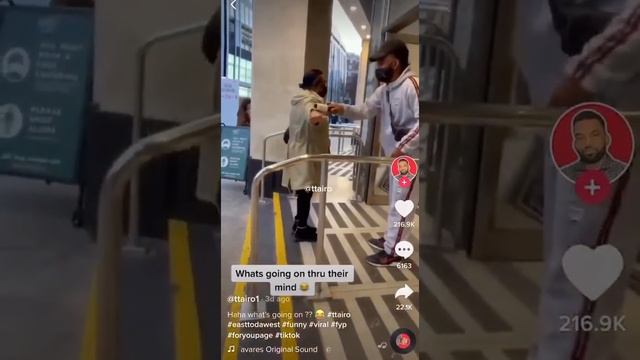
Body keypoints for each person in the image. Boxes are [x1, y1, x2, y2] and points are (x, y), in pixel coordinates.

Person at [515, 1, 640, 359]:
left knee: (583, 272)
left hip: (605, 93)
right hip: (574, 93)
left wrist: (589, 72)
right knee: (567, 265)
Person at [329, 38, 419, 266]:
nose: (379, 67)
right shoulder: (386, 89)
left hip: (409, 157)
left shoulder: (412, 86)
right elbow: (365, 110)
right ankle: (391, 240)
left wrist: (402, 147)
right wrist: (343, 108)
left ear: (395, 63)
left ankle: (395, 250)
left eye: (382, 61)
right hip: (397, 156)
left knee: (402, 203)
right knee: (396, 201)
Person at [281, 69, 330, 242]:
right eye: (322, 82)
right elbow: (313, 115)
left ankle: (298, 222)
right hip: (307, 152)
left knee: (304, 190)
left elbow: (289, 130)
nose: (325, 85)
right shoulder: (310, 101)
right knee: (306, 191)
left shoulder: (298, 101)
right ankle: (301, 228)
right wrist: (318, 117)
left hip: (299, 149)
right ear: (316, 84)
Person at [560, 110, 627, 182]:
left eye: (594, 135)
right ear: (575, 143)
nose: (588, 143)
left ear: (606, 139)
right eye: (580, 137)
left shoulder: (623, 170)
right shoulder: (565, 173)